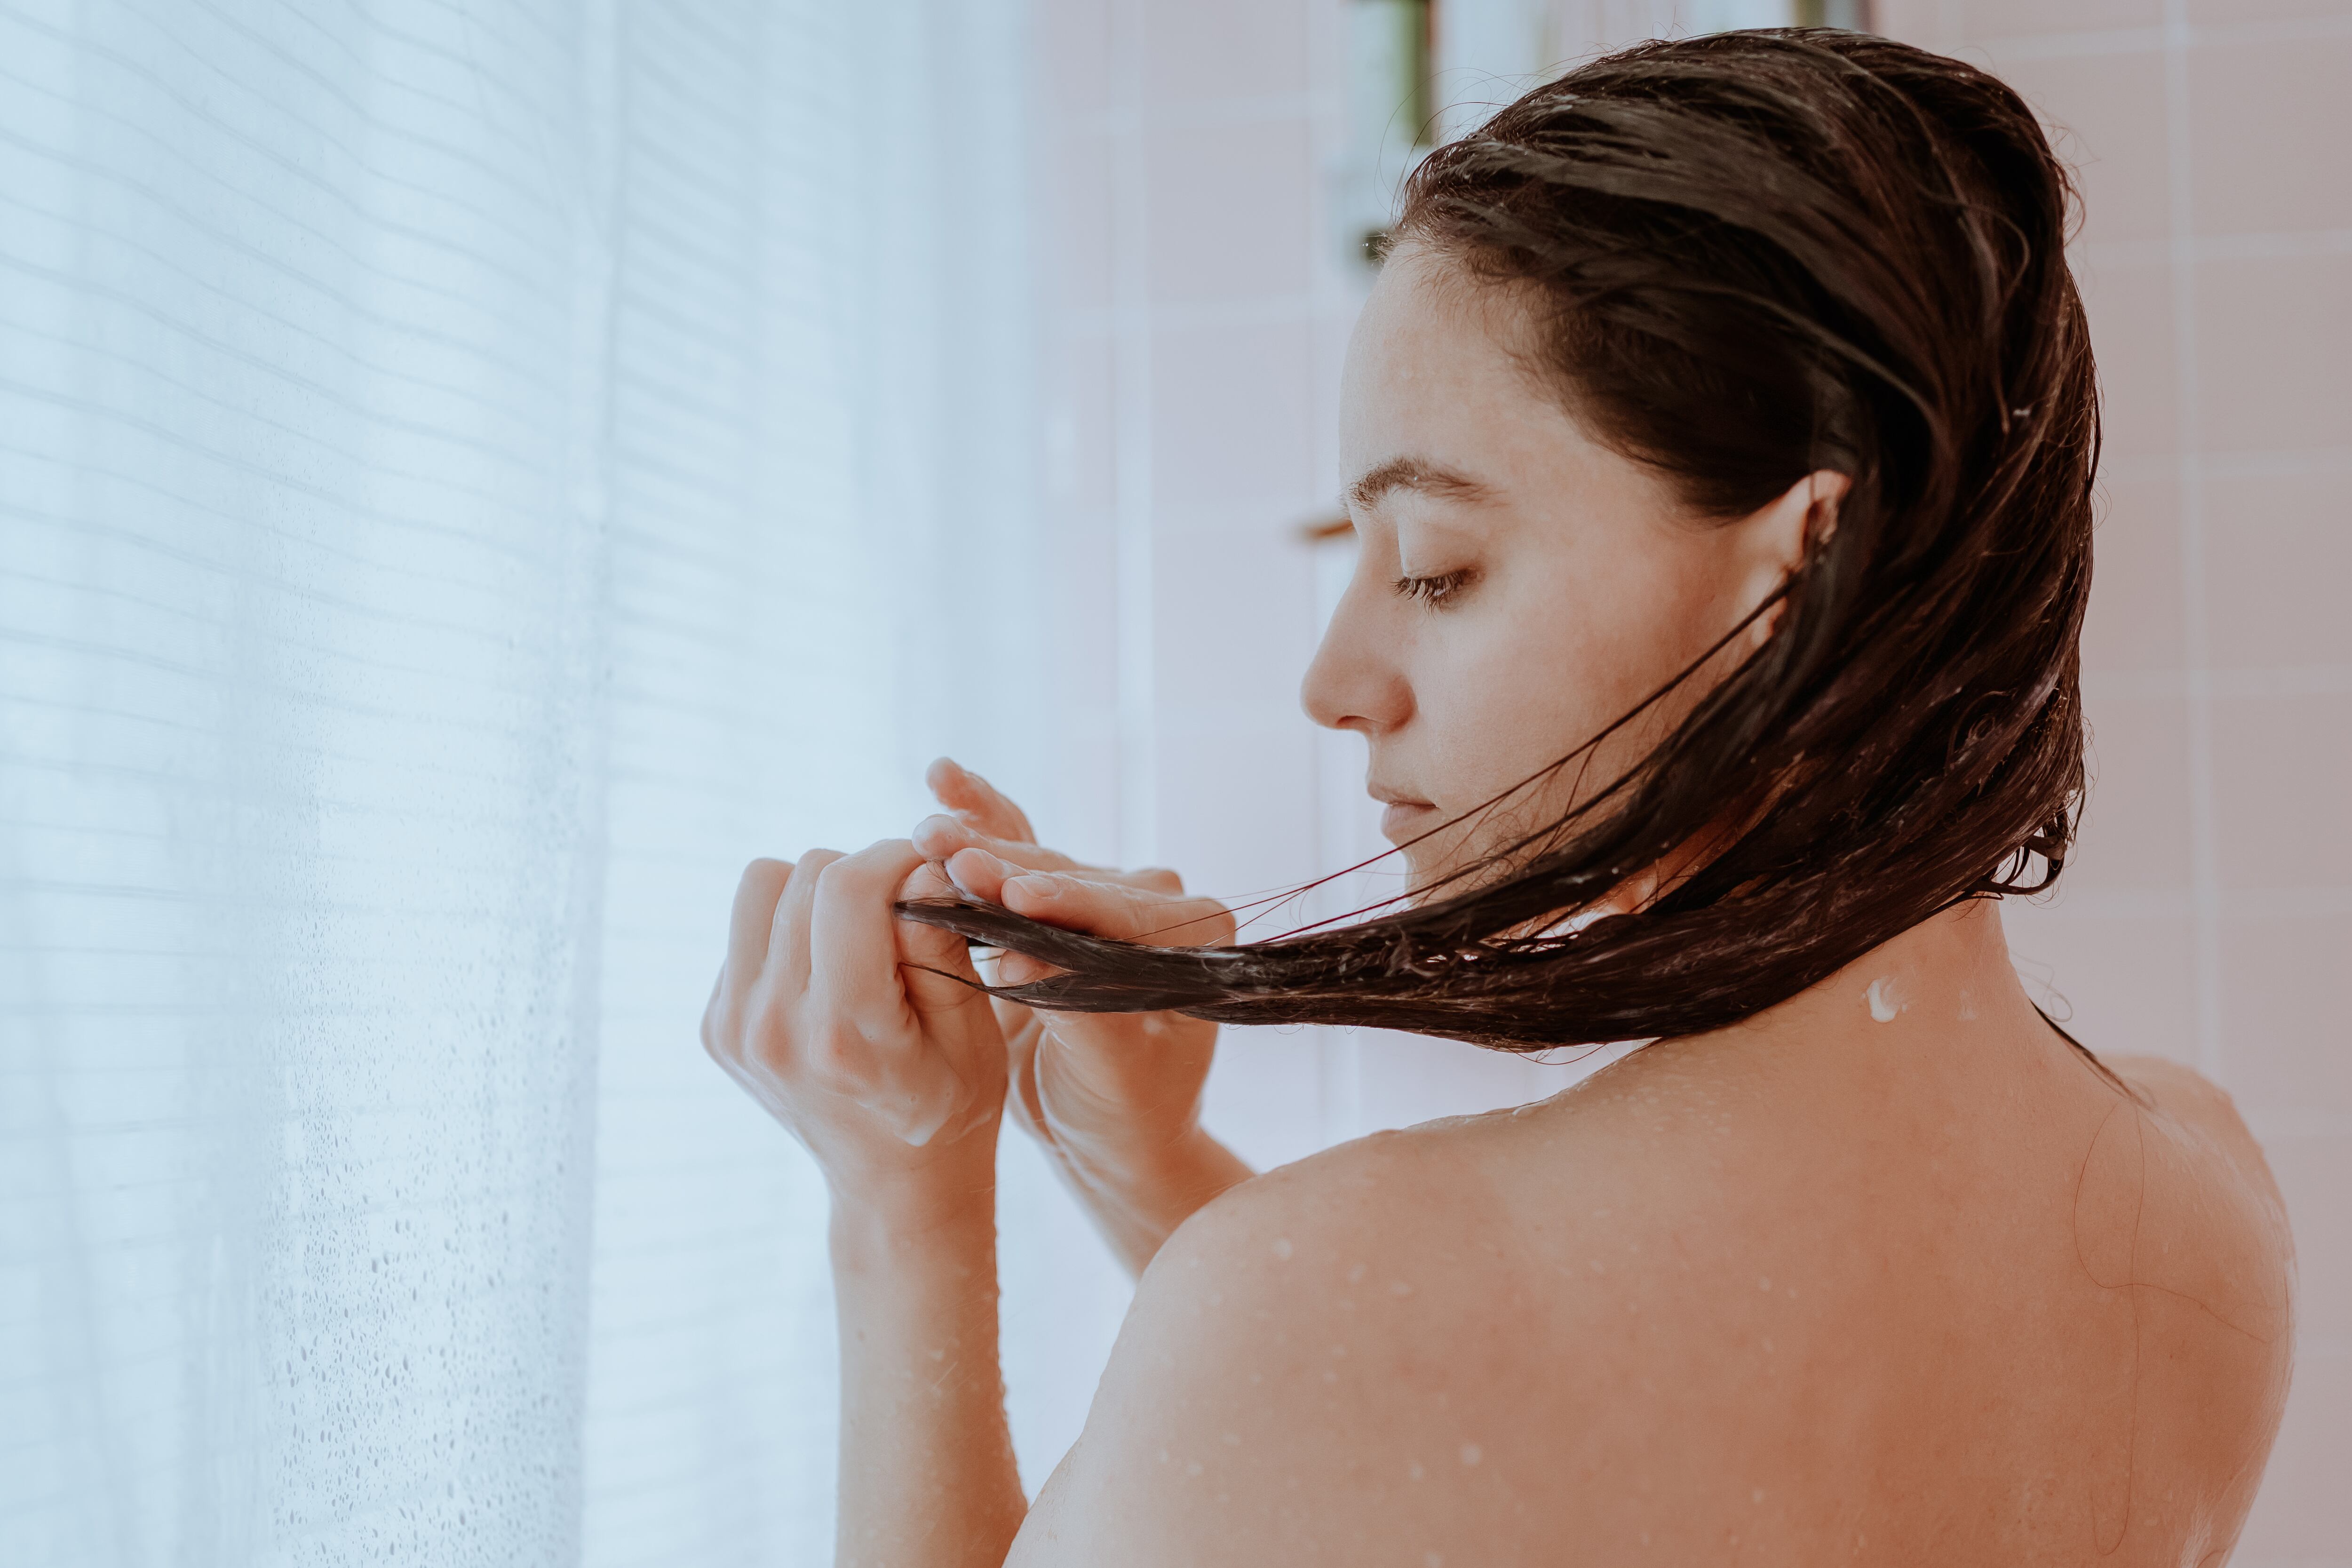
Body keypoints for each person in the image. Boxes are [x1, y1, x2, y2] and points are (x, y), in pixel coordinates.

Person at [699, 29, 2294, 1567]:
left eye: (1439, 570)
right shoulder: (2203, 1208)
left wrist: (901, 1206)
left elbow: (1426, 1402)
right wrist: (1146, 1167)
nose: (1332, 681)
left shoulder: (1338, 1295)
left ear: (1806, 568)